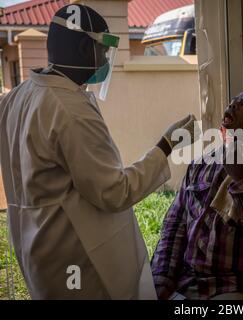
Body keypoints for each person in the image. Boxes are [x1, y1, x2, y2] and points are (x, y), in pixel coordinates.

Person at [0, 4, 196, 299]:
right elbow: (113, 192)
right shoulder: (70, 109)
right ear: (83, 48)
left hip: (37, 249)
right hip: (79, 259)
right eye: (102, 49)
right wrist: (166, 145)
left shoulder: (16, 98)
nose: (105, 59)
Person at [151, 90, 243, 300]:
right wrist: (161, 278)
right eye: (232, 101)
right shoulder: (200, 163)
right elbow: (174, 226)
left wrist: (242, 181)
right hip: (189, 283)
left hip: (238, 286)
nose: (232, 105)